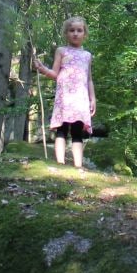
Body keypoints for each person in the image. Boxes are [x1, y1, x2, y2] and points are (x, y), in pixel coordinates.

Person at [34, 16, 96, 169]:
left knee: (77, 131)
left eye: (79, 31)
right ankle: (60, 163)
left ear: (84, 34)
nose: (75, 33)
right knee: (62, 129)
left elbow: (89, 79)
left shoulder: (87, 55)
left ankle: (78, 165)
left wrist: (92, 98)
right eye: (72, 30)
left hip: (80, 99)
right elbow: (55, 74)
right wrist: (42, 69)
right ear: (66, 33)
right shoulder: (61, 51)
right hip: (65, 97)